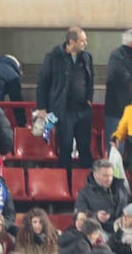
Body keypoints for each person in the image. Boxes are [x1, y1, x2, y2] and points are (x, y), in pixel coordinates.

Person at [36, 27, 95, 169]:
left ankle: (86, 182)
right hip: (63, 111)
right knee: (66, 148)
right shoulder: (53, 57)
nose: (85, 43)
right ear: (71, 41)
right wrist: (42, 108)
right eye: (82, 41)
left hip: (83, 110)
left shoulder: (86, 57)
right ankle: (66, 180)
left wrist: (89, 99)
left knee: (85, 147)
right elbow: (42, 83)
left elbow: (90, 80)